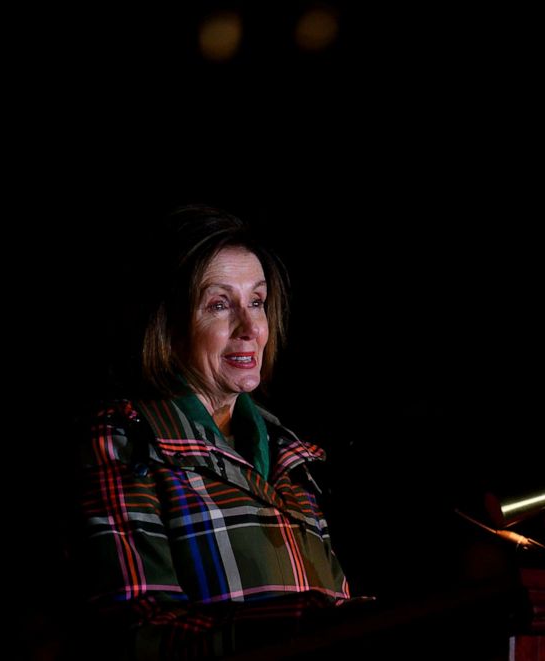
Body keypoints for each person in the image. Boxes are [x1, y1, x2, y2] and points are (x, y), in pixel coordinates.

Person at [68, 205, 358, 658]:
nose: (249, 328)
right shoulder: (125, 441)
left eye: (257, 302)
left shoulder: (291, 457)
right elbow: (137, 636)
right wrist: (306, 621)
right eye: (220, 304)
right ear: (170, 326)